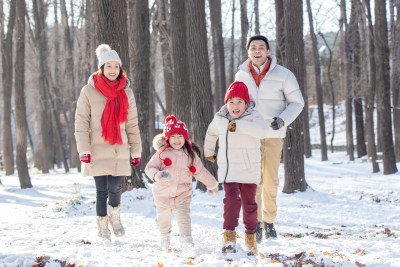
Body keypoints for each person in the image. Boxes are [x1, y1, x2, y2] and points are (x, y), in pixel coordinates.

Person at [235, 34, 305, 243]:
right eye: (253, 47)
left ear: (268, 51)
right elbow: (235, 104)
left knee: (271, 180)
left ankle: (270, 221)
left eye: (261, 47)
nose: (257, 51)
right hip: (251, 135)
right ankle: (255, 223)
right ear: (248, 52)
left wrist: (283, 120)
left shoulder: (284, 75)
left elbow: (297, 103)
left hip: (274, 134)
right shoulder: (241, 75)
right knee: (253, 180)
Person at [75, 44, 142, 240]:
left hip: (118, 149)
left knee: (116, 188)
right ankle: (102, 225)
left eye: (116, 66)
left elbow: (132, 123)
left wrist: (136, 150)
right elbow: (81, 123)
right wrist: (84, 150)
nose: (112, 70)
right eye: (108, 66)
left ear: (120, 69)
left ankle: (115, 218)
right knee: (101, 190)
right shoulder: (88, 91)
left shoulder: (126, 91)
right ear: (101, 68)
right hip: (96, 149)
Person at [204, 81, 268, 255]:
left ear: (247, 104)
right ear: (226, 103)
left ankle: (250, 237)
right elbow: (211, 133)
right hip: (229, 172)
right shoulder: (220, 118)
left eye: (240, 102)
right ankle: (229, 235)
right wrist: (209, 152)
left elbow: (262, 132)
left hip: (249, 171)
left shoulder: (254, 116)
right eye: (231, 102)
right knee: (231, 202)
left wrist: (240, 126)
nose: (235, 106)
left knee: (249, 206)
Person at [145, 115, 219, 253]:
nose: (177, 140)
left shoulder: (190, 155)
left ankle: (186, 241)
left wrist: (212, 184)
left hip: (182, 195)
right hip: (163, 195)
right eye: (173, 136)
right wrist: (157, 175)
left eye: (180, 136)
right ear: (167, 138)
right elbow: (149, 168)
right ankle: (164, 236)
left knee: (184, 218)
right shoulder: (162, 153)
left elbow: (200, 171)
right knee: (163, 221)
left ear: (185, 137)